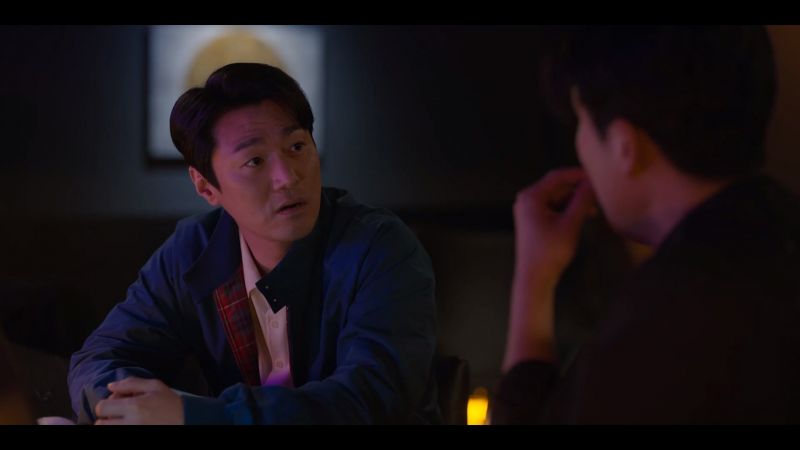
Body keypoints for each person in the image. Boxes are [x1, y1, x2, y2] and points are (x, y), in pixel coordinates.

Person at [68, 62, 439, 425]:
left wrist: (196, 416)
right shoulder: (193, 250)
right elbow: (100, 356)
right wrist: (123, 408)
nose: (287, 177)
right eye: (255, 161)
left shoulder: (381, 249)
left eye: (297, 146)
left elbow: (370, 398)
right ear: (206, 187)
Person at [493, 26, 800, 424]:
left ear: (625, 146)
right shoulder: (776, 237)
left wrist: (533, 281)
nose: (580, 146)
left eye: (581, 122)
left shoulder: (670, 321)